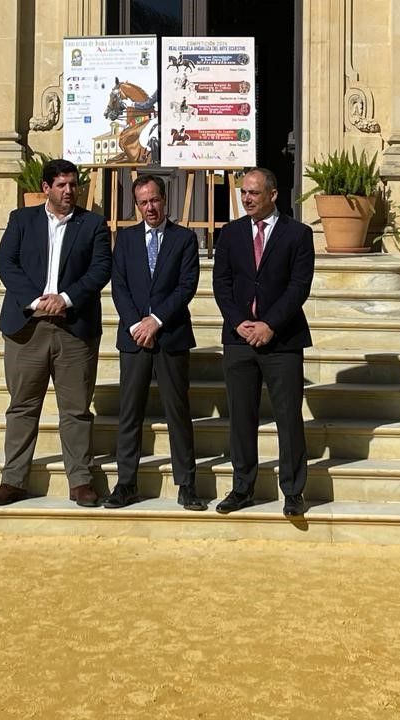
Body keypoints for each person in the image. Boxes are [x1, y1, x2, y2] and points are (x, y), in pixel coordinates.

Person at [0, 157, 112, 508]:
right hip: (27, 329)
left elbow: (101, 269)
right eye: (61, 185)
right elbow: (5, 263)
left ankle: (81, 480)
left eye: (73, 184)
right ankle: (13, 480)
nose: (69, 191)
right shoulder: (21, 220)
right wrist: (35, 300)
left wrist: (66, 299)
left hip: (74, 329)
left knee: (76, 409)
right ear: (46, 188)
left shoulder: (93, 225)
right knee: (22, 406)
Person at [211, 167, 315, 517]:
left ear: (272, 195)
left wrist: (269, 325)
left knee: (288, 417)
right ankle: (242, 488)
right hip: (238, 340)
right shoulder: (230, 234)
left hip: (282, 340)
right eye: (243, 193)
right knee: (242, 417)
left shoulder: (298, 234)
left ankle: (293, 491)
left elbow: (298, 287)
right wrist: (239, 323)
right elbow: (221, 284)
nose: (247, 199)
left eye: (254, 193)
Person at [105, 174, 206, 512]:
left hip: (170, 335)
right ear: (137, 205)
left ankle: (187, 484)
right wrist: (137, 324)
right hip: (134, 338)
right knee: (130, 412)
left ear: (165, 201)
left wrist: (156, 320)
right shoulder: (126, 239)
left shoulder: (184, 239)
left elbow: (186, 285)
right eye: (143, 202)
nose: (150, 207)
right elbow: (119, 285)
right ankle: (126, 483)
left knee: (178, 411)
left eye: (154, 200)